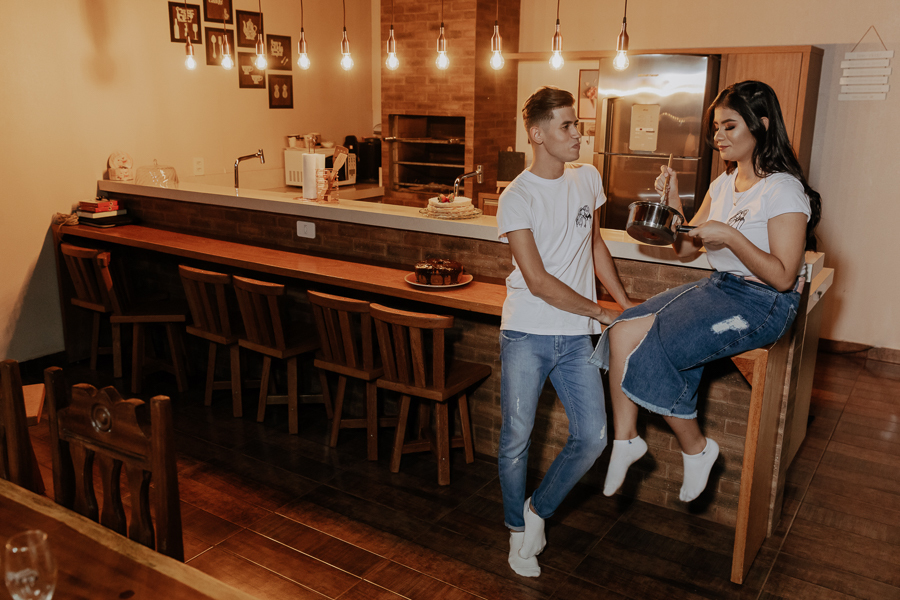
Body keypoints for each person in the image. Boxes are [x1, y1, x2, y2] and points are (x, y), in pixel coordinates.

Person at [595, 80, 822, 503]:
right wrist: (675, 199)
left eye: (730, 127)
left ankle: (697, 449)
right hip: (720, 289)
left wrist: (732, 237)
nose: (717, 136)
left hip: (763, 304)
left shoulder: (783, 189)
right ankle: (625, 440)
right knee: (623, 329)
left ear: (762, 126)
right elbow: (684, 247)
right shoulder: (722, 185)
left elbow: (784, 277)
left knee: (657, 342)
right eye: (715, 128)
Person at [496, 86, 634, 577]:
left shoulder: (588, 179)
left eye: (578, 124)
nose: (579, 134)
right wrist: (601, 314)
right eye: (567, 126)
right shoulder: (517, 196)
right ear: (537, 134)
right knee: (517, 438)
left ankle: (538, 510)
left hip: (576, 337)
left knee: (593, 436)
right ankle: (517, 531)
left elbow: (594, 245)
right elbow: (536, 280)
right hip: (527, 334)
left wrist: (623, 304)